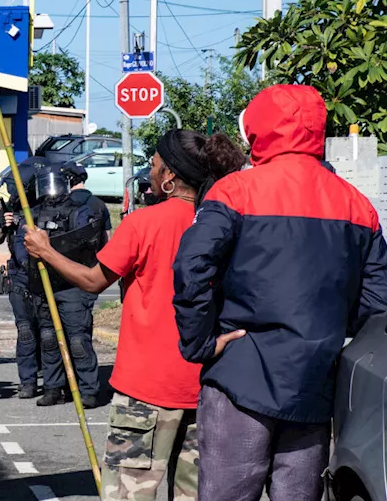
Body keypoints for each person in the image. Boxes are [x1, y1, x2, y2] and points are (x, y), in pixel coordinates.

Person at [173, 85, 387, 500]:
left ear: (258, 129)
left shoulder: (235, 191)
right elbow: (380, 305)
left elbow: (190, 268)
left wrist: (200, 342)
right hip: (314, 380)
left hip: (242, 372)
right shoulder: (356, 204)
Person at [25, 129, 245, 501]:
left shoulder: (144, 223)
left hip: (146, 388)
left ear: (170, 178)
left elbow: (94, 280)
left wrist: (45, 251)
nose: (151, 171)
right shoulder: (226, 223)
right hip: (207, 384)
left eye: (155, 165)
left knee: (128, 495)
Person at [14, 161, 109, 408]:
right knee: (47, 337)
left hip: (71, 285)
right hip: (43, 285)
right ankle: (53, 388)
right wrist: (30, 262)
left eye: (54, 183)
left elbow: (84, 243)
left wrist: (52, 254)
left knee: (77, 339)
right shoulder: (32, 213)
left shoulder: (78, 211)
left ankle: (88, 389)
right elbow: (20, 244)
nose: (50, 189)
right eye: (45, 184)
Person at [0, 158, 46, 399]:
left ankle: (54, 380)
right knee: (25, 330)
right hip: (19, 276)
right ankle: (28, 381)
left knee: (48, 331)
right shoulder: (10, 207)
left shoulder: (46, 205)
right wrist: (2, 225)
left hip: (45, 275)